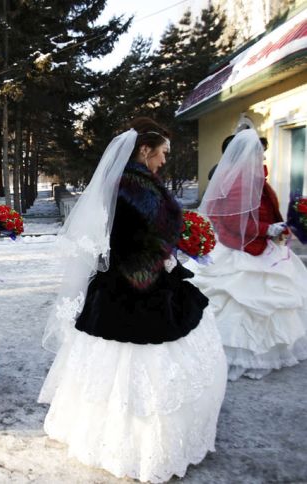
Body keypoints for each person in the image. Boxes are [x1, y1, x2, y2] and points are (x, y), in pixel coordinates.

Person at [38, 118, 227, 483]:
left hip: (141, 279)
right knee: (141, 358)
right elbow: (130, 242)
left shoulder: (138, 183)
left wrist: (173, 247)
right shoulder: (134, 186)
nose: (164, 161)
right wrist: (167, 255)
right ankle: (137, 445)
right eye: (163, 154)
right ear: (145, 150)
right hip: (139, 285)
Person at [188, 128, 307, 380]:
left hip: (262, 245)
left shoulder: (254, 179)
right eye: (260, 154)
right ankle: (233, 354)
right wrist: (267, 229)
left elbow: (265, 211)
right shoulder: (238, 183)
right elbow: (233, 223)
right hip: (241, 250)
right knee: (239, 301)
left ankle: (264, 352)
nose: (263, 159)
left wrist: (277, 229)